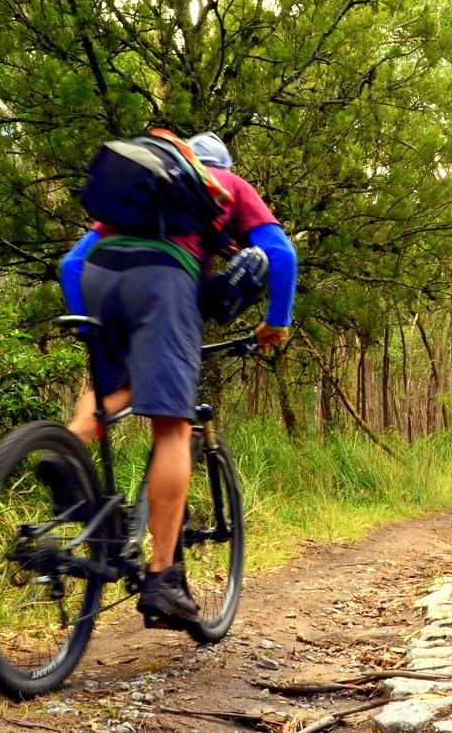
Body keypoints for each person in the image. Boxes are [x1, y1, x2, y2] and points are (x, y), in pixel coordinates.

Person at [49, 130, 297, 630]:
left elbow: (71, 262)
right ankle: (163, 577)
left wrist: (91, 329)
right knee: (172, 425)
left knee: (107, 392)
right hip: (162, 281)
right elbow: (282, 254)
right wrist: (277, 320)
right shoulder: (226, 184)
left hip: (99, 278)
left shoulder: (136, 195)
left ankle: (64, 450)